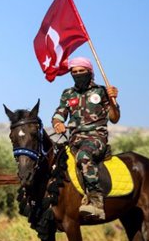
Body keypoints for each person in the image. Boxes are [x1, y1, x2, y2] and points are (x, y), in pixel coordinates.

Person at [51, 57, 120, 221]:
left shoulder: (102, 91)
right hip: (74, 140)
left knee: (83, 156)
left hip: (96, 138)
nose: (78, 74)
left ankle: (96, 201)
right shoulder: (68, 94)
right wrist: (57, 123)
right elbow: (59, 114)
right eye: (74, 72)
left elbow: (115, 118)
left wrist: (112, 100)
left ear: (89, 72)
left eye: (81, 71)